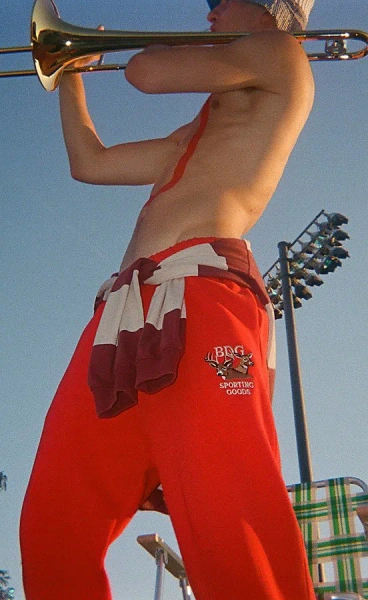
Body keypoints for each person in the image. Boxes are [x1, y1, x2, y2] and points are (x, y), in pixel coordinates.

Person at [20, 0, 318, 598]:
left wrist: (97, 55)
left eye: (221, 0)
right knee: (55, 521)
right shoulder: (201, 132)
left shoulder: (282, 55)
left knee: (229, 513)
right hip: (124, 312)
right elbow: (90, 163)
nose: (210, 11)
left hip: (205, 290)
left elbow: (146, 73)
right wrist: (70, 76)